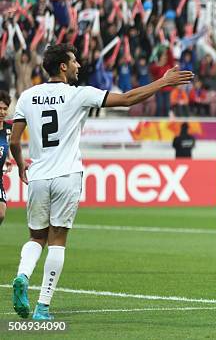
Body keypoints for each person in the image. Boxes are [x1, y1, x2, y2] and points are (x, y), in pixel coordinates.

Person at [10, 43, 193, 320]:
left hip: (38, 175)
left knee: (37, 237)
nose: (78, 66)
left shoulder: (27, 96)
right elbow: (129, 99)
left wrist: (22, 165)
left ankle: (23, 275)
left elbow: (14, 140)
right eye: (74, 62)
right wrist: (163, 82)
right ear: (63, 66)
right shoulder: (80, 94)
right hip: (67, 175)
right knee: (58, 239)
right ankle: (42, 307)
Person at [0, 90, 13, 226]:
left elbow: (6, 144)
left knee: (1, 213)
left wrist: (8, 158)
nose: (2, 112)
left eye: (5, 109)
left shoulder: (8, 128)